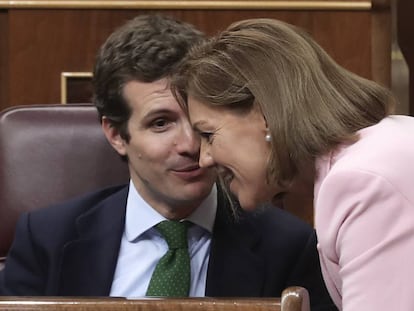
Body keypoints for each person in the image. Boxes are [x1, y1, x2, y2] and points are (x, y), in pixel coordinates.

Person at [0, 15, 336, 310]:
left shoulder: (291, 246)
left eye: (198, 120)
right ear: (116, 134)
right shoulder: (47, 237)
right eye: (160, 123)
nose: (191, 145)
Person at [172, 17, 414, 311]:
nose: (203, 158)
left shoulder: (361, 181)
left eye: (208, 134)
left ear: (265, 113)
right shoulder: (381, 145)